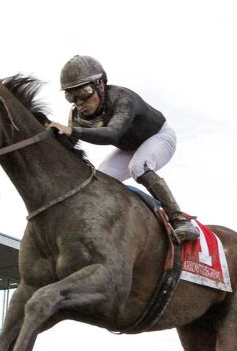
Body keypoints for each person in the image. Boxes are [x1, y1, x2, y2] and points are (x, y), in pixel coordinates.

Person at [48, 55, 198, 243]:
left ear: (100, 85)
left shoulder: (123, 98)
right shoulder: (77, 115)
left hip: (159, 137)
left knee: (139, 167)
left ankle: (179, 220)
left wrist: (71, 130)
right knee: (99, 180)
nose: (79, 102)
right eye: (71, 96)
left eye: (84, 92)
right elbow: (69, 144)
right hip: (129, 147)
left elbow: (112, 134)